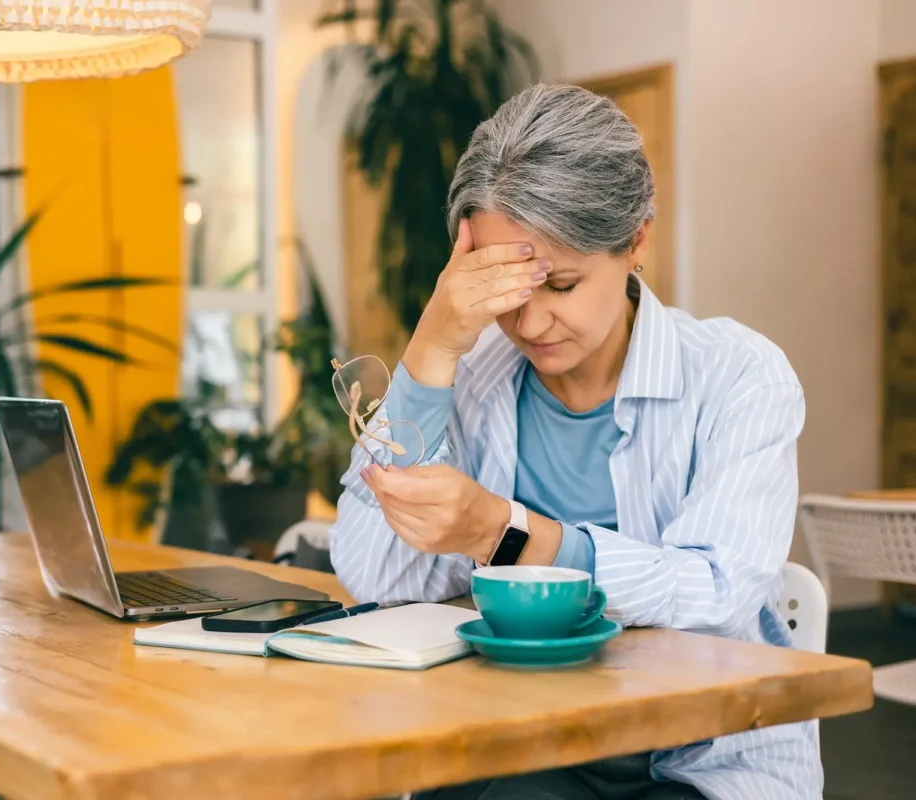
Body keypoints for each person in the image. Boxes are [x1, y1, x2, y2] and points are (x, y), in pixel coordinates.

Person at [329, 83, 818, 800]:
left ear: (637, 240)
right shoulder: (470, 378)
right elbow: (371, 571)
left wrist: (509, 534)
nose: (529, 325)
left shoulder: (739, 377)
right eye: (503, 290)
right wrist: (431, 350)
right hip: (521, 740)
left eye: (559, 284)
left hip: (699, 756)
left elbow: (717, 593)